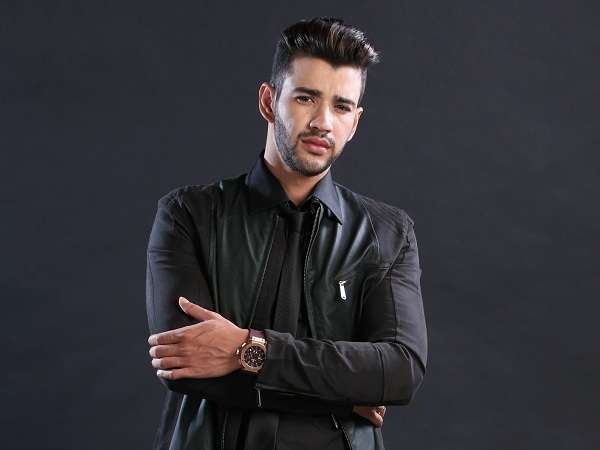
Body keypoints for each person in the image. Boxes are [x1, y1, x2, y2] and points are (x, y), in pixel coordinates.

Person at [145, 16, 427, 450]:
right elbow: (184, 364)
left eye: (341, 107)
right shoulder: (188, 215)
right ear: (268, 101)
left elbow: (401, 370)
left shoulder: (386, 234)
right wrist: (344, 395)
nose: (323, 122)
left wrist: (248, 348)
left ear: (355, 123)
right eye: (306, 98)